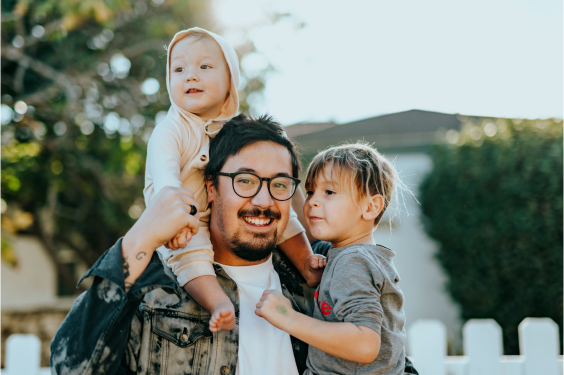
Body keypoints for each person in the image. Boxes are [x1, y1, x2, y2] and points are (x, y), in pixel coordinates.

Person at [51, 114, 317, 375]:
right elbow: (71, 369)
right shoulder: (152, 294)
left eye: (280, 184)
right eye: (245, 181)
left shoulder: (322, 283)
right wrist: (141, 236)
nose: (263, 201)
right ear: (211, 188)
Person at [143, 27, 324, 334]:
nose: (190, 76)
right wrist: (176, 222)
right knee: (191, 257)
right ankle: (218, 303)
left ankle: (306, 263)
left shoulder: (236, 131)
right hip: (181, 220)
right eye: (179, 69)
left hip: (205, 214)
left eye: (204, 67)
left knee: (285, 216)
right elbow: (166, 182)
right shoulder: (171, 129)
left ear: (231, 81)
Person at [256, 143, 412, 374]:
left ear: (371, 207)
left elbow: (365, 345)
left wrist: (287, 317)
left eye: (329, 192)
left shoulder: (352, 261)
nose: (312, 202)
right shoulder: (356, 257)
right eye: (310, 192)